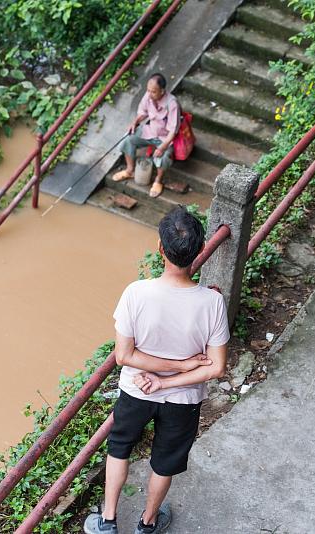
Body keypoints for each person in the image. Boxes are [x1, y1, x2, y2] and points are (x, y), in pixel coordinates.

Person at [83, 206, 230, 534]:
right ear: (201, 249)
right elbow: (216, 367)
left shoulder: (137, 293)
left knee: (119, 448)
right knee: (165, 461)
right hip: (184, 398)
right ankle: (148, 523)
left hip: (136, 389)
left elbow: (124, 355)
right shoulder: (212, 302)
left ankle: (107, 521)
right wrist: (177, 372)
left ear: (161, 249)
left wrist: (160, 379)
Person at [112, 73, 180, 198]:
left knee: (164, 156)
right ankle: (129, 170)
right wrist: (135, 122)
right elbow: (143, 113)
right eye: (148, 90)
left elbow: (173, 131)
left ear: (162, 91)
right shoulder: (148, 96)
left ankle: (158, 181)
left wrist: (162, 147)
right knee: (128, 139)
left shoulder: (172, 104)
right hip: (149, 131)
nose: (150, 94)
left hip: (164, 139)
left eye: (153, 92)